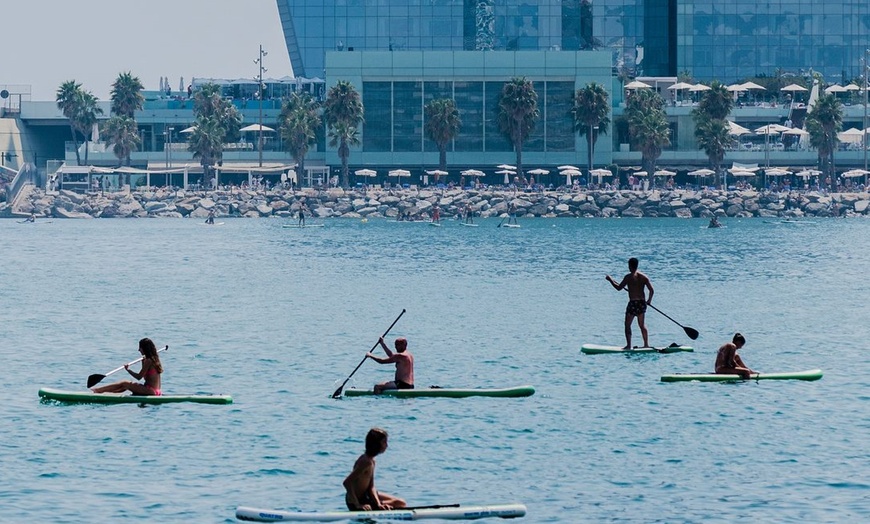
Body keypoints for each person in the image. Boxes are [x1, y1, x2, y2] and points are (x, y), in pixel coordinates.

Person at [343, 427, 406, 511]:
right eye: (384, 442)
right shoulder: (365, 462)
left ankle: (379, 506)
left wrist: (378, 503)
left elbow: (371, 487)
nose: (386, 445)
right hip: (356, 501)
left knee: (401, 502)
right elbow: (347, 482)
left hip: (366, 495)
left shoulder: (372, 461)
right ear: (376, 444)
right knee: (399, 504)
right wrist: (357, 504)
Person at [606, 257, 654, 348]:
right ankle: (646, 344)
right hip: (642, 303)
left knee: (627, 324)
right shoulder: (644, 277)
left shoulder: (628, 277)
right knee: (642, 325)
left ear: (630, 266)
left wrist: (610, 280)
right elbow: (651, 290)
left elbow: (619, 288)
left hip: (633, 303)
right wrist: (649, 301)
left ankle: (628, 345)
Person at [92, 338, 163, 395]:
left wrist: (128, 370)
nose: (138, 350)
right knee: (124, 386)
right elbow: (146, 378)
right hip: (156, 391)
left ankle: (98, 390)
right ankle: (104, 393)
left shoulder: (148, 360)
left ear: (144, 348)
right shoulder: (155, 359)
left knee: (125, 383)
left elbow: (139, 377)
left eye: (140, 348)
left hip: (150, 390)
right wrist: (142, 362)